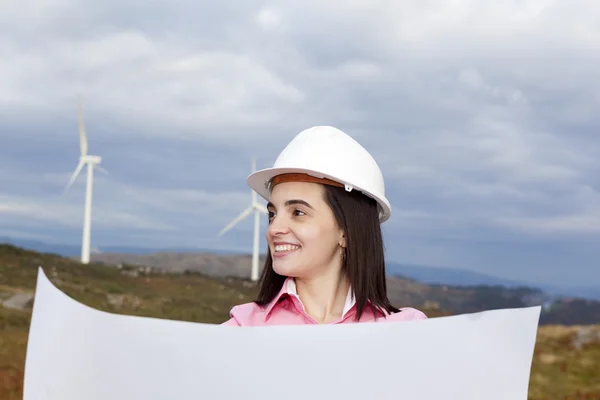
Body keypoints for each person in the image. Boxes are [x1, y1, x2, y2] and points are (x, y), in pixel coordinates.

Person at [222, 125, 427, 326]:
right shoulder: (241, 328)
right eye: (272, 214)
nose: (274, 229)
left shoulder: (408, 331)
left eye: (298, 212)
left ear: (346, 231)